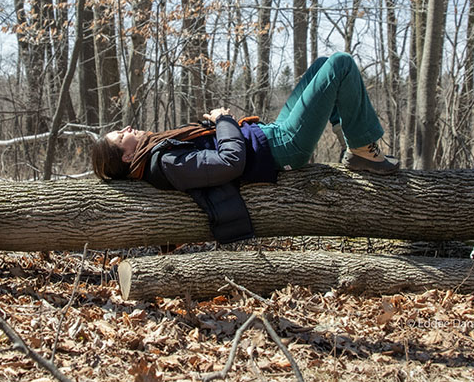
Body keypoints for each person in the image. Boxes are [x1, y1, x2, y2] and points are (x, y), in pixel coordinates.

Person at [90, 52, 398, 243]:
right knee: (340, 65)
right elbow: (230, 162)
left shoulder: (158, 153)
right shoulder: (166, 164)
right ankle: (363, 151)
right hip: (283, 148)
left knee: (320, 66)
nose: (126, 129)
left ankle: (354, 139)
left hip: (269, 135)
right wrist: (224, 120)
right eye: (120, 136)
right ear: (127, 157)